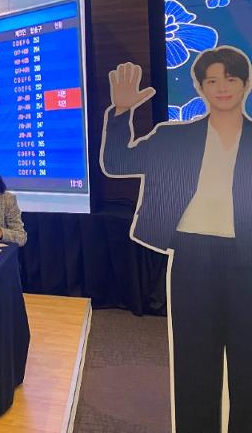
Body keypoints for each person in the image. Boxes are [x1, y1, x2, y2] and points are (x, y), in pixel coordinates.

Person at [101, 47, 252, 432]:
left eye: (231, 79)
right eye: (212, 80)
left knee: (248, 363)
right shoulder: (174, 137)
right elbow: (119, 164)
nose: (222, 88)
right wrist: (122, 113)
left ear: (246, 85)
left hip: (248, 259)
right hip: (192, 256)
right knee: (193, 363)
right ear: (200, 87)